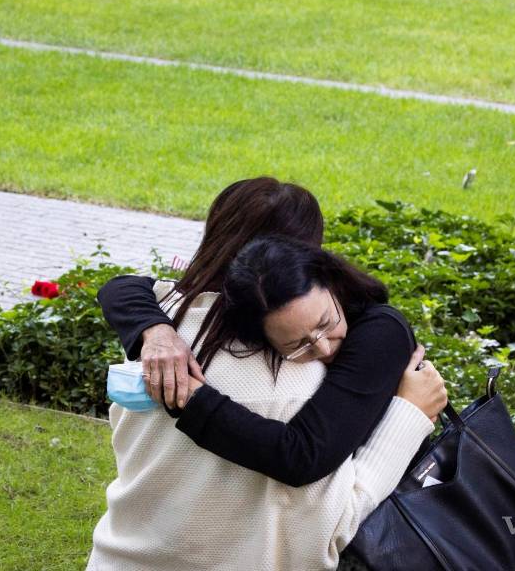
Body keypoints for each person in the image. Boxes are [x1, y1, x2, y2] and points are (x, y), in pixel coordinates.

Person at [87, 179, 447, 570]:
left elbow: (122, 287)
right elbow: (330, 504)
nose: (321, 347)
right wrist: (409, 416)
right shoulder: (301, 379)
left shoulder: (163, 320)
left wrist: (152, 329)